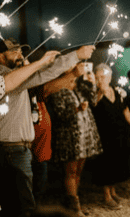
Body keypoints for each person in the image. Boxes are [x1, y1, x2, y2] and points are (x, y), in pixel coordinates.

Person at [0, 39, 95, 217]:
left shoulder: (14, 77)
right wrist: (75, 56)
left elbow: (41, 77)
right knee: (23, 207)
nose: (21, 55)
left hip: (19, 149)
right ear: (0, 55)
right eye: (15, 51)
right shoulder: (7, 77)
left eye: (21, 51)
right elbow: (42, 77)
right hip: (11, 150)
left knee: (20, 201)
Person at [45, 63, 103, 217]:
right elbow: (59, 114)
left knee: (78, 172)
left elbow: (94, 101)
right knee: (70, 172)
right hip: (70, 139)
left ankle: (73, 204)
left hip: (85, 138)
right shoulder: (57, 89)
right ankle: (75, 207)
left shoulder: (79, 87)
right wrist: (77, 109)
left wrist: (92, 83)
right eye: (71, 68)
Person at [90, 63, 130, 210]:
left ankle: (113, 191)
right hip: (103, 135)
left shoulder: (117, 92)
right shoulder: (94, 93)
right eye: (97, 78)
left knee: (117, 162)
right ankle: (106, 196)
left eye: (103, 77)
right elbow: (94, 104)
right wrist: (99, 91)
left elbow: (125, 110)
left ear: (110, 77)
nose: (100, 80)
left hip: (118, 133)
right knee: (106, 164)